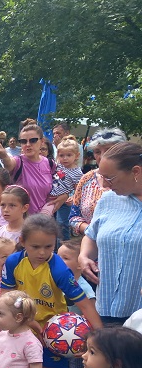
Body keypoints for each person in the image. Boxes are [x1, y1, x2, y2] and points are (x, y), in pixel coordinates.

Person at [2, 215, 102, 368]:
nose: (42, 252)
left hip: (55, 335)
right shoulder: (13, 262)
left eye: (48, 246)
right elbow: (7, 297)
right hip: (20, 328)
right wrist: (28, 321)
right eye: (35, 246)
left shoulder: (58, 269)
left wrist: (100, 334)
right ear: (22, 242)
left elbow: (84, 303)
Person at [79, 141, 142, 324]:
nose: (105, 184)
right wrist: (84, 256)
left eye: (111, 178)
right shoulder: (108, 200)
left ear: (136, 172)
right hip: (105, 309)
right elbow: (91, 235)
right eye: (102, 176)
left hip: (138, 316)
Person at [57, 237, 96, 368]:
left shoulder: (84, 288)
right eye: (58, 257)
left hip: (79, 344)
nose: (59, 262)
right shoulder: (58, 282)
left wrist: (88, 342)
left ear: (80, 264)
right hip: (59, 338)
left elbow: (92, 313)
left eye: (65, 258)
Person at [69, 128, 127, 236]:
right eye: (97, 152)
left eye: (109, 150)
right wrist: (92, 231)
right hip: (90, 242)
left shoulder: (130, 180)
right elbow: (74, 216)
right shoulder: (87, 179)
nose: (102, 156)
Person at [0, 121, 57, 215]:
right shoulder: (18, 162)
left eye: (33, 140)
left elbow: (60, 186)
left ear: (42, 141)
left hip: (44, 223)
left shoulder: (50, 164)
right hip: (22, 223)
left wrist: (64, 196)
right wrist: (3, 155)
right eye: (23, 141)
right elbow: (9, 164)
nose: (28, 144)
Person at [53, 136, 83, 240]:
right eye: (62, 155)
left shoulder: (77, 172)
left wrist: (74, 197)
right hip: (51, 197)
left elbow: (79, 189)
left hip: (64, 202)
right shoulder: (58, 166)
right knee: (51, 225)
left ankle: (64, 245)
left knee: (62, 225)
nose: (65, 158)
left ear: (76, 156)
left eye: (69, 155)